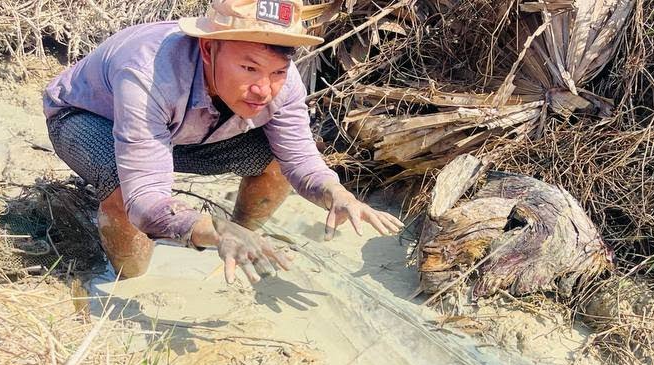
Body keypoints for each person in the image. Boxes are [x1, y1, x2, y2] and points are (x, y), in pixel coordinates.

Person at [42, 0, 402, 282]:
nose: (264, 89)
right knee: (123, 190)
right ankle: (127, 280)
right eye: (249, 68)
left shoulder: (284, 82)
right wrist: (211, 228)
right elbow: (145, 200)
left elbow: (299, 159)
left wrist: (336, 194)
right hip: (86, 119)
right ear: (207, 49)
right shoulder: (148, 74)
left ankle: (241, 243)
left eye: (277, 72)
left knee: (275, 159)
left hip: (183, 131)